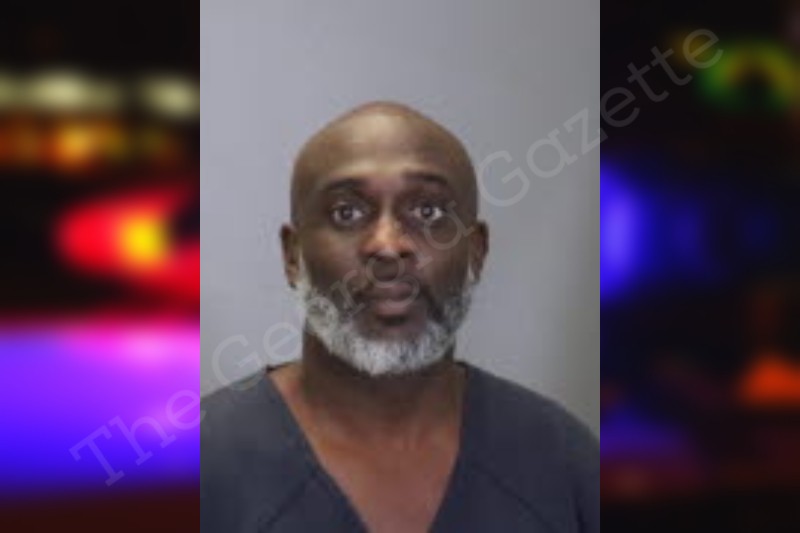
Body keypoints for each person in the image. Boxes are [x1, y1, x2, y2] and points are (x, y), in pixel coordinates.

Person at [201, 102, 599, 533]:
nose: (388, 246)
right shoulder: (197, 462)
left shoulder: (564, 461)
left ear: (476, 252)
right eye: (347, 212)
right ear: (293, 256)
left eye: (428, 212)